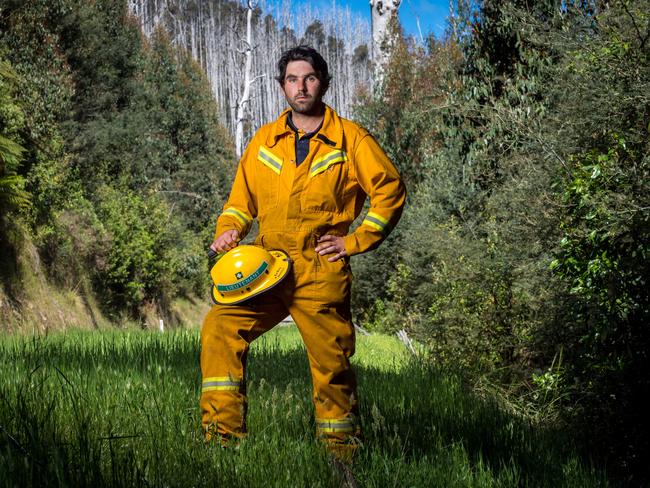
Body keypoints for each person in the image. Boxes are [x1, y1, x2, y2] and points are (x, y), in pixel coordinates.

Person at [200, 45, 406, 460]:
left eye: (309, 78)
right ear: (281, 87)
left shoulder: (351, 138)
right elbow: (240, 203)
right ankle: (221, 444)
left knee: (331, 367)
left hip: (320, 270)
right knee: (220, 327)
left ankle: (342, 459)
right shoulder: (264, 141)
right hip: (266, 268)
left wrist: (353, 241)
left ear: (324, 83)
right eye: (292, 79)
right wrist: (229, 231)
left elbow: (390, 191)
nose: (301, 86)